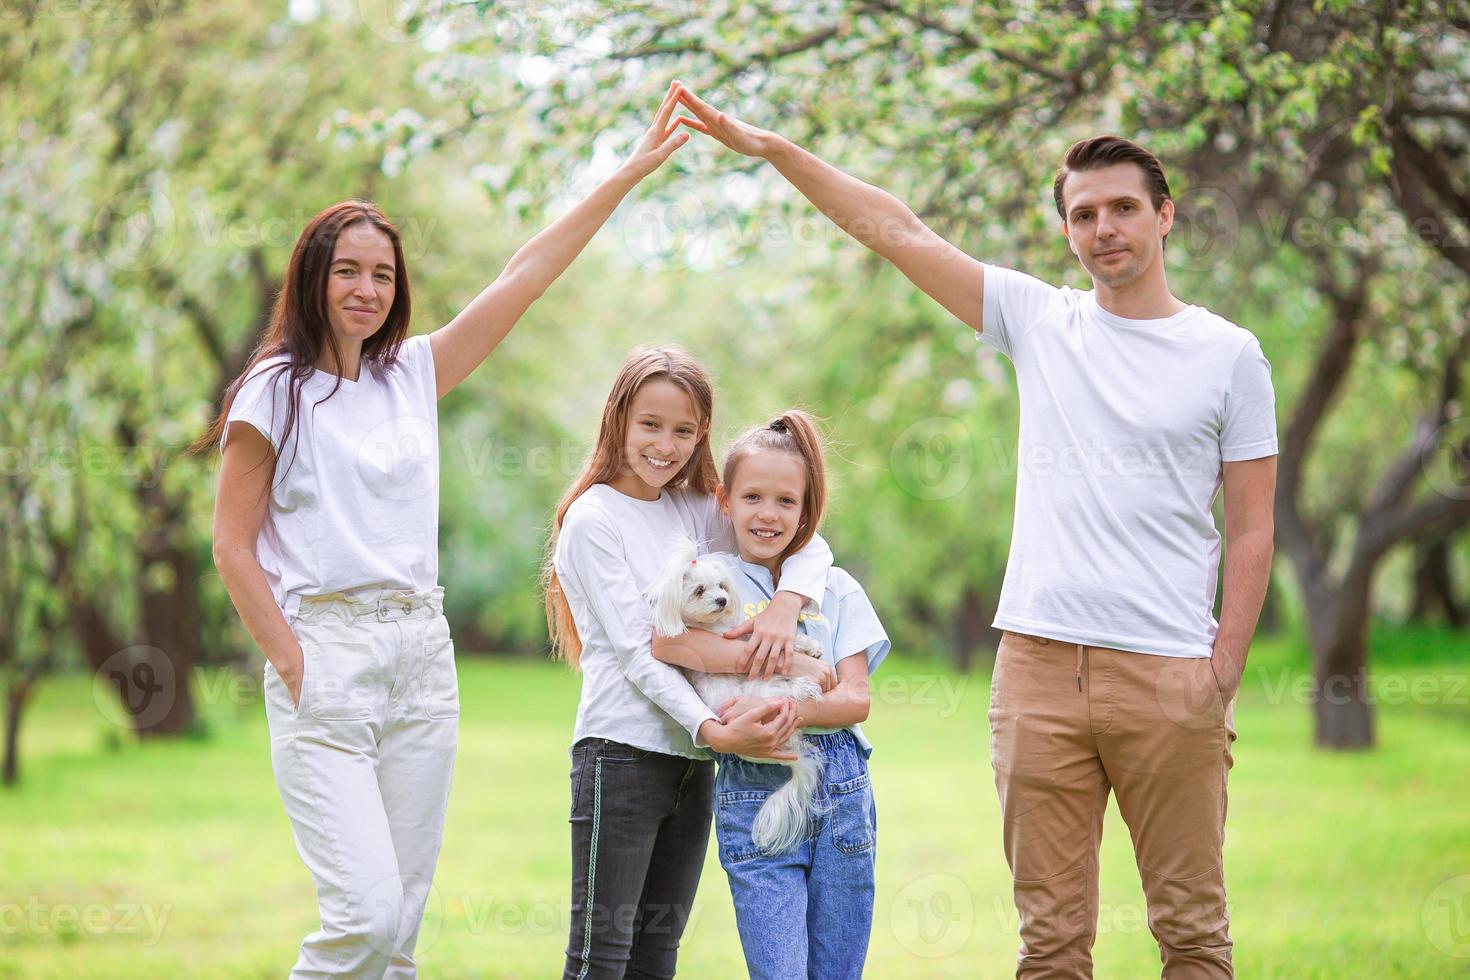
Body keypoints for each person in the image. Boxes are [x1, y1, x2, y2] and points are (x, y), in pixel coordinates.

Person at [672, 84, 1277, 979]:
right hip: (1038, 676)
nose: (1103, 227)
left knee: (1192, 935)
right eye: (1083, 214)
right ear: (1068, 232)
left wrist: (1219, 670)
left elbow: (1255, 529)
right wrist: (774, 152)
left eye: (1122, 208)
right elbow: (896, 229)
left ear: (1164, 216)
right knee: (1051, 944)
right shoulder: (1044, 322)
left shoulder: (1228, 354)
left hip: (1167, 674)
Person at [200, 83, 696, 979]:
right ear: (314, 277)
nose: (365, 288)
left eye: (382, 274)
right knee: (362, 916)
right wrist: (294, 662)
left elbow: (525, 275)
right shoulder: (273, 390)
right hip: (328, 655)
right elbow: (231, 544)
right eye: (347, 270)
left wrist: (625, 174)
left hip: (422, 656)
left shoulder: (412, 375)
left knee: (400, 938)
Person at [545, 347, 838, 980]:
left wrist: (786, 605)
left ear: (701, 433)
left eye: (684, 430)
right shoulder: (593, 519)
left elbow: (803, 538)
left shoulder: (692, 509)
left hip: (694, 764)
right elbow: (639, 653)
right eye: (650, 424)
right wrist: (715, 729)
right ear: (618, 419)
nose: (665, 445)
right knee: (602, 960)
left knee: (657, 959)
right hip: (620, 756)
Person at [651, 409, 890, 980]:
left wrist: (781, 706)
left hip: (841, 789)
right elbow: (668, 646)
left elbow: (855, 700)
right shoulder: (713, 576)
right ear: (724, 501)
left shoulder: (835, 586)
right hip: (753, 788)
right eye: (753, 496)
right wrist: (797, 668)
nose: (768, 514)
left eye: (787, 501)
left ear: (806, 511)